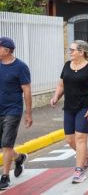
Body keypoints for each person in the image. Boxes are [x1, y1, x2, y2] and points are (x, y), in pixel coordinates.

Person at [50, 40, 88, 184]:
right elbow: (61, 85)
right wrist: (56, 97)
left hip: (85, 107)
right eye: (70, 50)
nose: (70, 52)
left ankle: (79, 170)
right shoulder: (67, 66)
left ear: (81, 52)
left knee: (80, 138)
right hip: (69, 107)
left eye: (72, 50)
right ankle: (87, 154)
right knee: (70, 140)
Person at [0, 37, 32, 190]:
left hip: (13, 110)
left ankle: (5, 177)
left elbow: (26, 90)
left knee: (7, 144)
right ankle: (19, 158)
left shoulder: (21, 67)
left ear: (7, 50)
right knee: (3, 144)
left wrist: (28, 113)